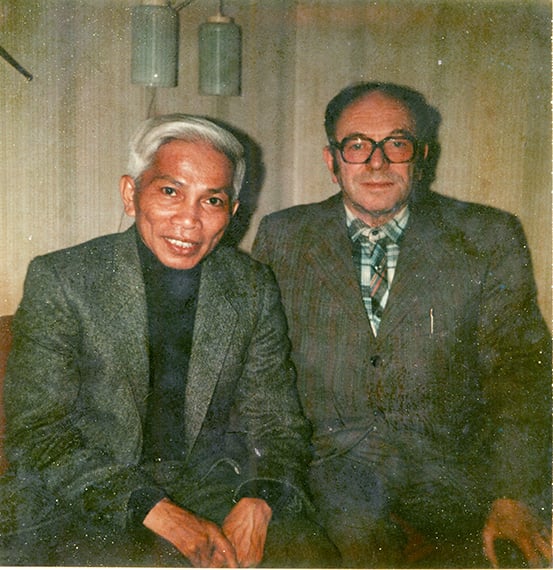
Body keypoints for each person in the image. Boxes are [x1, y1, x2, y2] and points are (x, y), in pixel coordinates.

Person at [1, 114, 340, 567]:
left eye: (212, 200)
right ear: (131, 194)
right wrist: (154, 510)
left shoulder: (251, 286)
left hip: (208, 483)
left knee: (309, 555)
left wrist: (261, 497)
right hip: (85, 493)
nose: (189, 220)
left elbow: (278, 423)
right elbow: (38, 432)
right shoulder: (64, 279)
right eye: (170, 192)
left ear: (231, 213)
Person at [252, 82, 552, 568]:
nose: (377, 162)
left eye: (396, 143)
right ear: (332, 161)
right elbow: (259, 374)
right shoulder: (283, 235)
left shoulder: (487, 236)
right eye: (357, 145)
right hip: (325, 473)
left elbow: (521, 376)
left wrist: (514, 493)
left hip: (452, 478)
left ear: (422, 156)